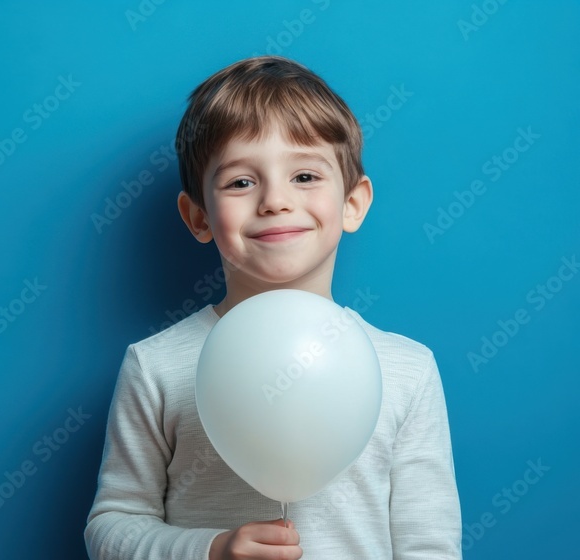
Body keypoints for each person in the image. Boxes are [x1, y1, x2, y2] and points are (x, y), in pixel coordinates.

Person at [84, 56, 461, 559]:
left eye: (305, 175)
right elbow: (113, 526)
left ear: (352, 203)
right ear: (198, 217)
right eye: (241, 182)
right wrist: (211, 550)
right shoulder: (156, 365)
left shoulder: (408, 369)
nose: (275, 201)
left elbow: (428, 545)